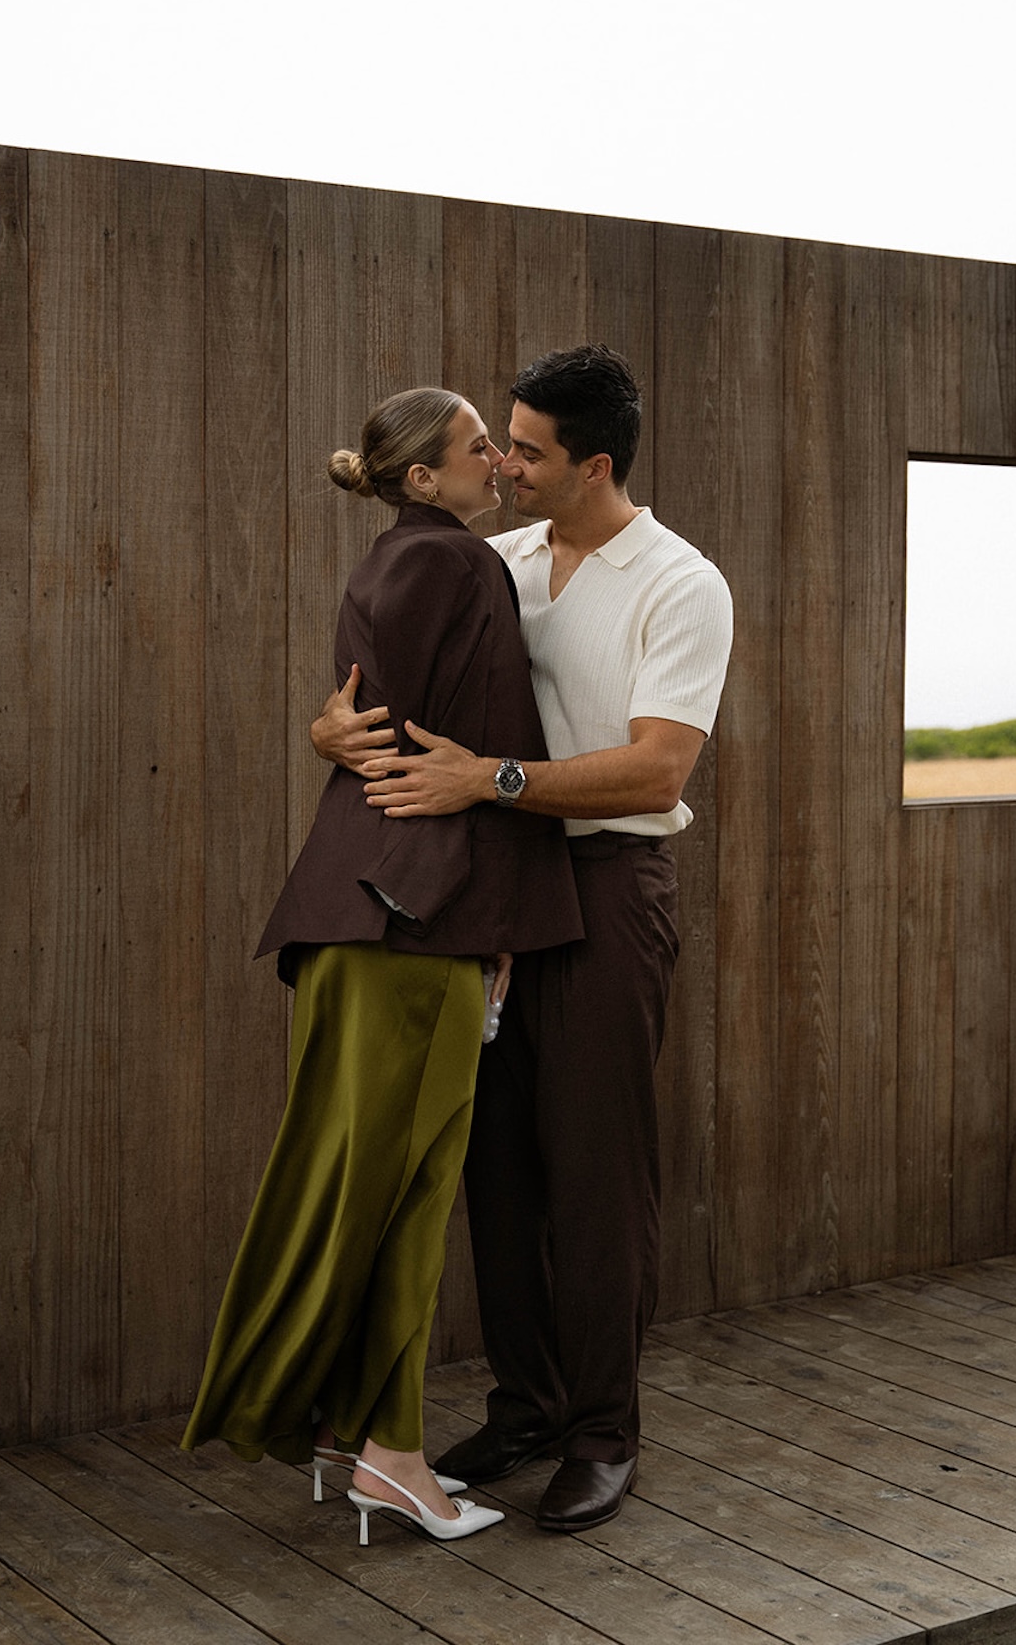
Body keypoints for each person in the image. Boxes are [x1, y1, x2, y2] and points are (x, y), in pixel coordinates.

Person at [313, 345, 733, 1535]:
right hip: (490, 899)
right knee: (492, 1169)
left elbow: (656, 769)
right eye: (497, 440)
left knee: (594, 1174)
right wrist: (330, 732)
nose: (502, 463)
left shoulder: (680, 584)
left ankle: (601, 1433)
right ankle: (528, 1408)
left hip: (606, 890)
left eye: (529, 451)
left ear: (594, 465)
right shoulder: (489, 558)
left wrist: (489, 779)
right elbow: (382, 704)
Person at [181, 386, 582, 1547]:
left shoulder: (394, 561)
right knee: (404, 1195)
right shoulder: (458, 565)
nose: (497, 463)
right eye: (476, 448)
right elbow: (466, 750)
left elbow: (377, 730)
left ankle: (342, 1427)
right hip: (411, 922)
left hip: (361, 914)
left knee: (359, 1185)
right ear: (423, 478)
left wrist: (341, 736)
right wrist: (496, 917)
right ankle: (390, 1456)